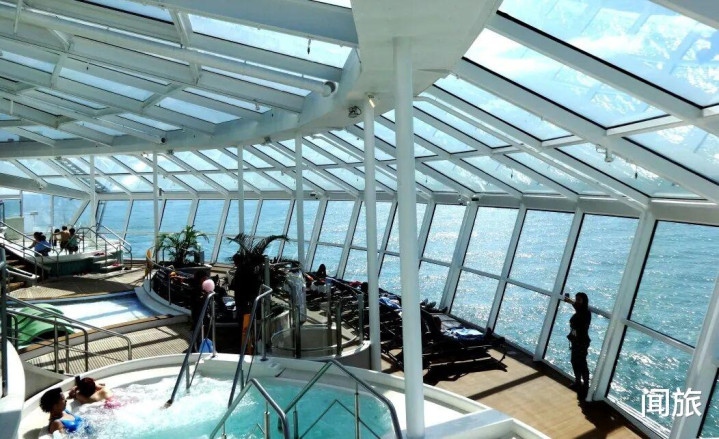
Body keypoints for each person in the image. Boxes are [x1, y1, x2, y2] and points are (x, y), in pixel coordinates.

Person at [564, 292, 591, 394]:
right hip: (576, 341)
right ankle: (578, 382)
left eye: (579, 300)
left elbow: (578, 308)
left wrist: (570, 301)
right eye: (576, 299)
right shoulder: (581, 311)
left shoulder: (585, 313)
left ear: (584, 301)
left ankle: (585, 384)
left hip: (581, 342)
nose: (577, 302)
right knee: (575, 361)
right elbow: (576, 305)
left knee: (582, 362)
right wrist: (569, 300)